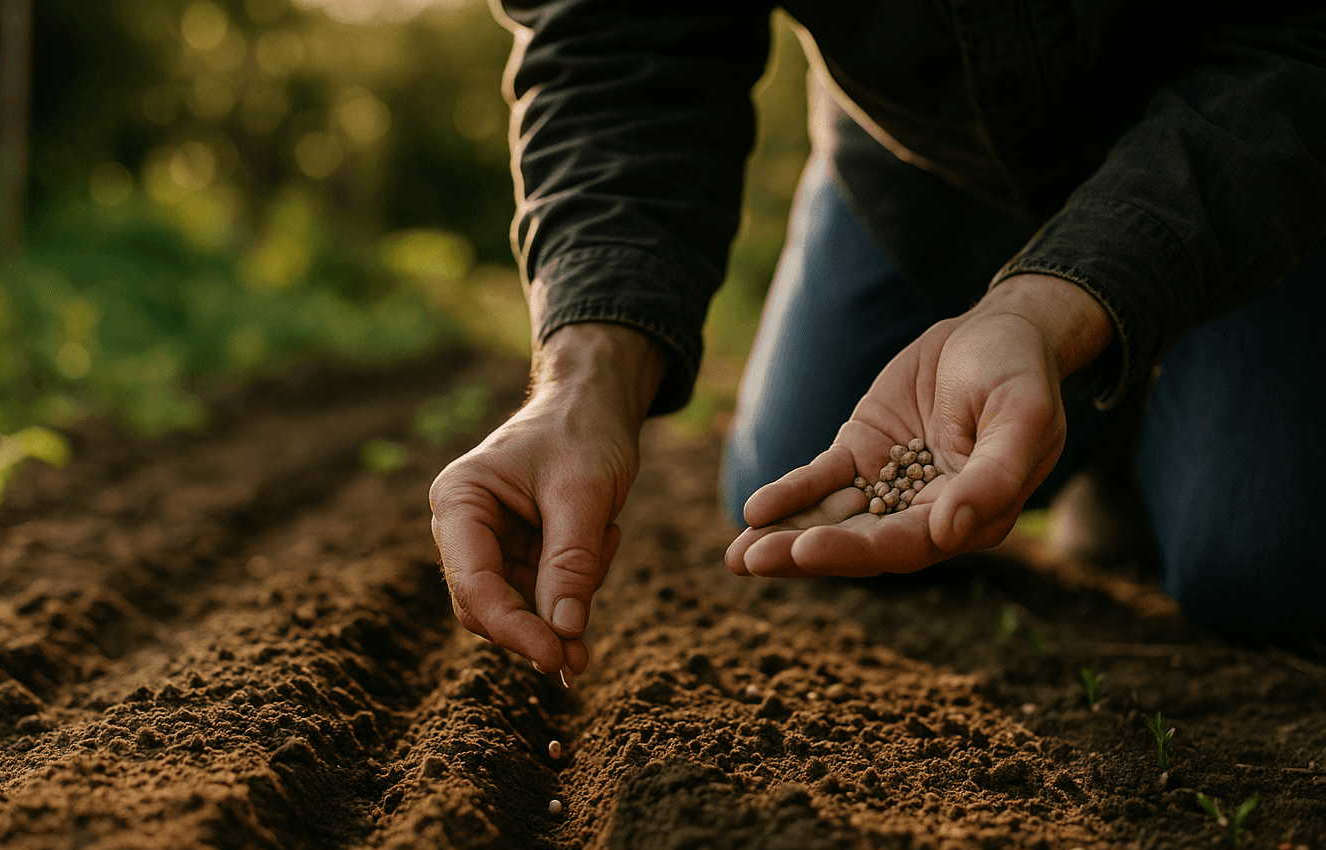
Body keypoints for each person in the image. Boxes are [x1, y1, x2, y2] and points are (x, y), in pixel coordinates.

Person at [428, 1, 1326, 679]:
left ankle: (1131, 393)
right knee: (798, 487)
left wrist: (1052, 310)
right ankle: (1120, 420)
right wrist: (582, 380)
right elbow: (620, 38)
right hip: (934, 159)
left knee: (1262, 573)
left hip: (1256, 127)